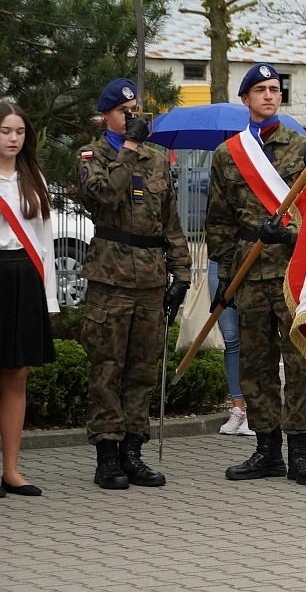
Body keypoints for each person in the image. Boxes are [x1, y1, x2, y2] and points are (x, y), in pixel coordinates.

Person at [207, 63, 306, 485]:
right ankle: (266, 450)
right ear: (246, 99)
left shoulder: (303, 148)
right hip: (250, 271)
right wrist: (225, 269)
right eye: (260, 90)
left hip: (293, 271)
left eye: (275, 89)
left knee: (300, 362)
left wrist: (291, 234)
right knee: (255, 364)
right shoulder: (227, 154)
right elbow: (217, 219)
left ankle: (302, 454)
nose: (270, 96)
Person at [79, 79, 191, 490]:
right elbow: (105, 196)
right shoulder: (93, 156)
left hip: (149, 279)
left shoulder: (158, 160)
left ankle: (133, 451)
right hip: (110, 279)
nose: (132, 117)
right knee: (108, 368)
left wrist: (182, 274)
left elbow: (172, 224)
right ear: (106, 115)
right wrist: (127, 149)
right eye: (125, 111)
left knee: (142, 370)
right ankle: (107, 456)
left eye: (136, 110)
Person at [0, 103, 57, 497]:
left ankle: (12, 470)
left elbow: (46, 243)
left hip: (25, 277)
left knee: (16, 375)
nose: (13, 138)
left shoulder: (32, 177)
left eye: (19, 131)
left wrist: (50, 298)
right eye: (5, 131)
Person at [208, 260, 250, 436]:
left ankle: (256, 410)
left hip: (252, 262)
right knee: (231, 338)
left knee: (253, 338)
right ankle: (238, 409)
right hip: (220, 263)